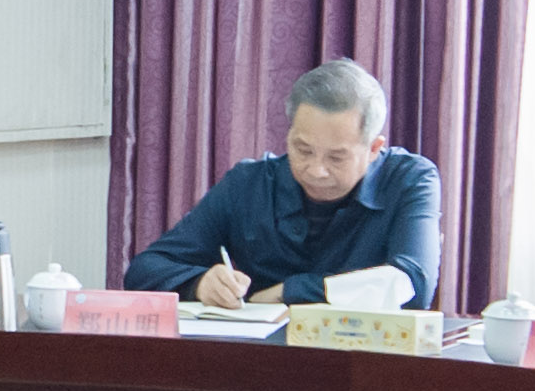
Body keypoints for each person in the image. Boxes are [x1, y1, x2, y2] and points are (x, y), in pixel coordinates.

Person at [123, 60, 443, 310]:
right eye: (303, 150)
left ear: (374, 148)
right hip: (263, 362)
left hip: (365, 363)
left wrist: (291, 291)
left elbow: (414, 284)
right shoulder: (248, 185)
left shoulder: (410, 180)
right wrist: (200, 284)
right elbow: (144, 270)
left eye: (336, 157)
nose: (316, 170)